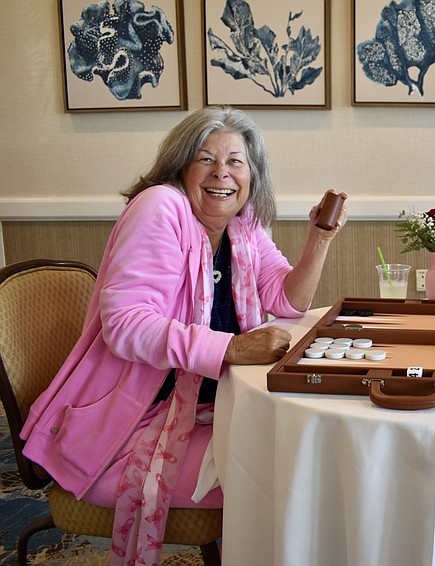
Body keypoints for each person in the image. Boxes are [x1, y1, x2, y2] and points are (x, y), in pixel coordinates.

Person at [20, 107, 348, 565]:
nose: (223, 174)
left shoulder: (243, 222)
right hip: (128, 428)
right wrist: (232, 347)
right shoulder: (160, 206)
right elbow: (127, 324)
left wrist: (320, 239)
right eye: (205, 159)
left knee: (308, 450)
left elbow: (284, 299)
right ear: (180, 168)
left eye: (236, 161)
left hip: (210, 406)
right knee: (289, 473)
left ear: (252, 174)